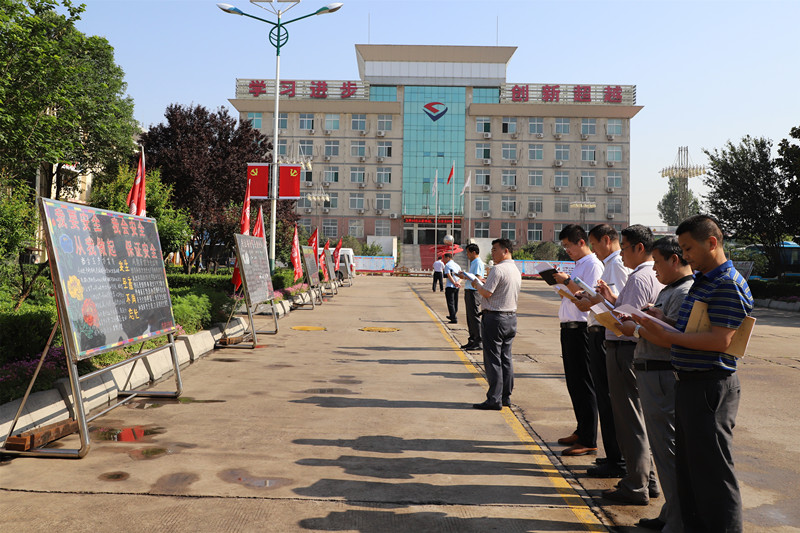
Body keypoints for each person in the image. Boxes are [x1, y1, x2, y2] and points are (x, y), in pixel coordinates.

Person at [634, 215, 753, 532]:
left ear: (711, 243)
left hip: (710, 385)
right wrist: (662, 321)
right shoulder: (705, 280)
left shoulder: (726, 284)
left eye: (688, 248)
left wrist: (668, 336)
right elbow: (693, 330)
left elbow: (720, 340)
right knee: (690, 472)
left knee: (713, 473)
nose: (684, 255)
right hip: (689, 383)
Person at [620, 236, 693, 532]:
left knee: (667, 451)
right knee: (662, 452)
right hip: (653, 374)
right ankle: (670, 512)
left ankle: (677, 521)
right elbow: (669, 325)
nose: (654, 269)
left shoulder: (684, 291)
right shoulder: (671, 289)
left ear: (675, 260)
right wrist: (651, 316)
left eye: (658, 262)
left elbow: (674, 337)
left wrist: (638, 327)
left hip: (662, 375)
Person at [595, 224, 663, 506]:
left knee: (630, 419)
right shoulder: (654, 275)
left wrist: (600, 306)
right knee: (638, 417)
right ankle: (648, 480)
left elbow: (627, 322)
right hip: (636, 352)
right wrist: (611, 300)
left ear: (639, 248)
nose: (621, 254)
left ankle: (636, 485)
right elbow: (631, 312)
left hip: (625, 351)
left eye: (624, 248)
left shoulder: (638, 278)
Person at [573, 224, 630, 478]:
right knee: (606, 399)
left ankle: (618, 459)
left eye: (594, 244)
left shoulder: (616, 264)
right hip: (601, 332)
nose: (593, 250)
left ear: (607, 240)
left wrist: (593, 301)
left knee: (609, 401)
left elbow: (620, 304)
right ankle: (614, 454)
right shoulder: (610, 264)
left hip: (608, 334)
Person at [552, 224, 604, 456]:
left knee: (584, 383)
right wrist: (563, 285)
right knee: (574, 382)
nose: (567, 251)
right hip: (569, 328)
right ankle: (581, 429)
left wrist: (566, 282)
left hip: (581, 329)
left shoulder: (593, 264)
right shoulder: (579, 264)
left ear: (581, 242)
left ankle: (588, 438)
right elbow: (574, 294)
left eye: (568, 246)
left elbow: (589, 296)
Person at [471, 238, 521, 410]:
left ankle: (494, 399)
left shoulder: (498, 269)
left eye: (494, 250)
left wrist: (477, 284)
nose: (492, 253)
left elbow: (487, 293)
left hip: (495, 318)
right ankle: (505, 396)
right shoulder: (515, 269)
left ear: (505, 251)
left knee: (493, 359)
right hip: (510, 318)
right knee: (506, 358)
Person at [458, 243, 485, 350]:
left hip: (474, 292)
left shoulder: (478, 263)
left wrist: (464, 276)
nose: (467, 255)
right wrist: (464, 275)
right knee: (470, 317)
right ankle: (472, 340)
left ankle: (479, 341)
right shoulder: (474, 262)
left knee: (474, 317)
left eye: (468, 253)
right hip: (469, 291)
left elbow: (477, 277)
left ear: (474, 252)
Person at [443, 252, 462, 323]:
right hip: (457, 286)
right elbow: (461, 276)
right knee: (455, 302)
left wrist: (454, 283)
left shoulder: (447, 265)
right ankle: (453, 315)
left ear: (448, 258)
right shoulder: (457, 265)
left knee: (450, 302)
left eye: (444, 258)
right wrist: (458, 282)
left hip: (450, 286)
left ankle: (453, 318)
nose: (443, 260)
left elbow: (449, 275)